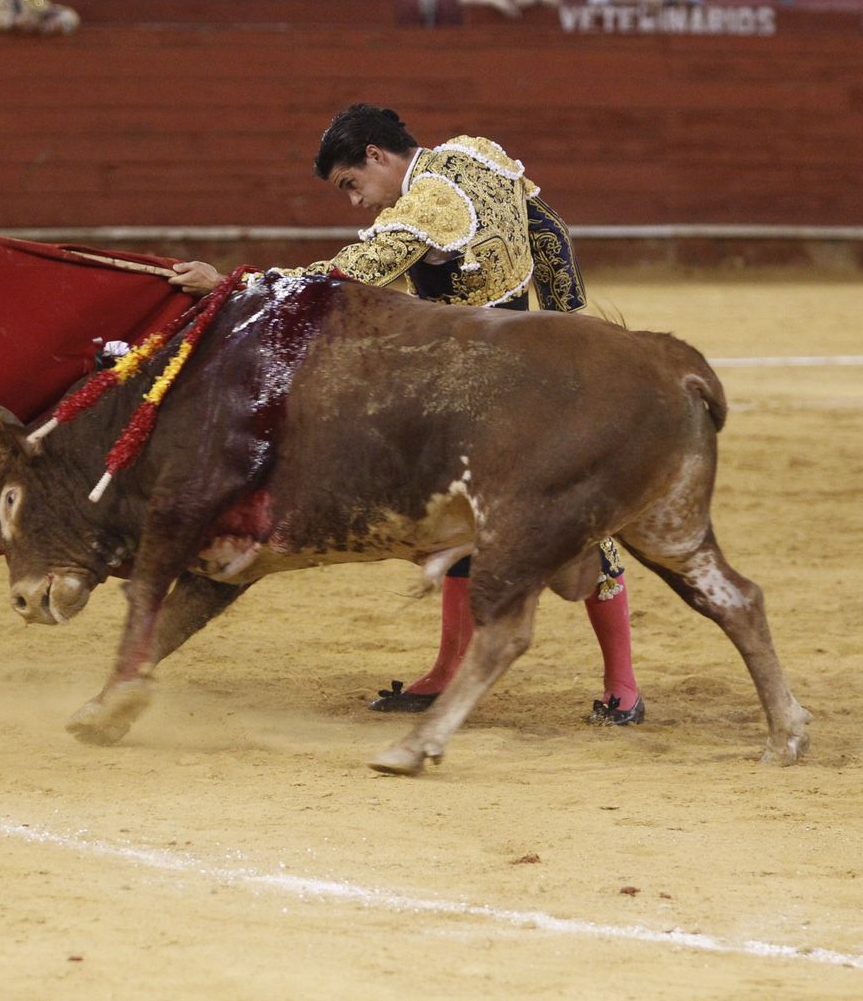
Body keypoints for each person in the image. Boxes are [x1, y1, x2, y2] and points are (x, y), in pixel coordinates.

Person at [167, 104, 645, 725]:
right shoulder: (477, 153)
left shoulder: (426, 206)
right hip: (534, 368)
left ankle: (617, 684)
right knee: (484, 519)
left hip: (478, 390)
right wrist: (572, 326)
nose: (355, 201)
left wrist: (233, 287)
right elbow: (548, 229)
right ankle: (572, 683)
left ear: (376, 154)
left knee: (514, 516)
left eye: (351, 184)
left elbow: (343, 280)